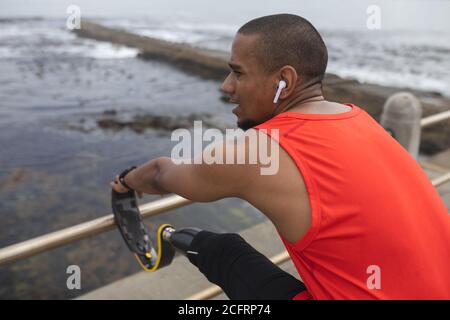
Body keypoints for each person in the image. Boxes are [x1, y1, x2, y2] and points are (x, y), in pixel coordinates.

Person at [110, 14, 450, 299]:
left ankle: (169, 238)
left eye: (238, 72)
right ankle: (172, 239)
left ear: (283, 81)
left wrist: (125, 183)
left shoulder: (258, 152)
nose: (226, 86)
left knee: (225, 252)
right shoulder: (359, 118)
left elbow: (159, 174)